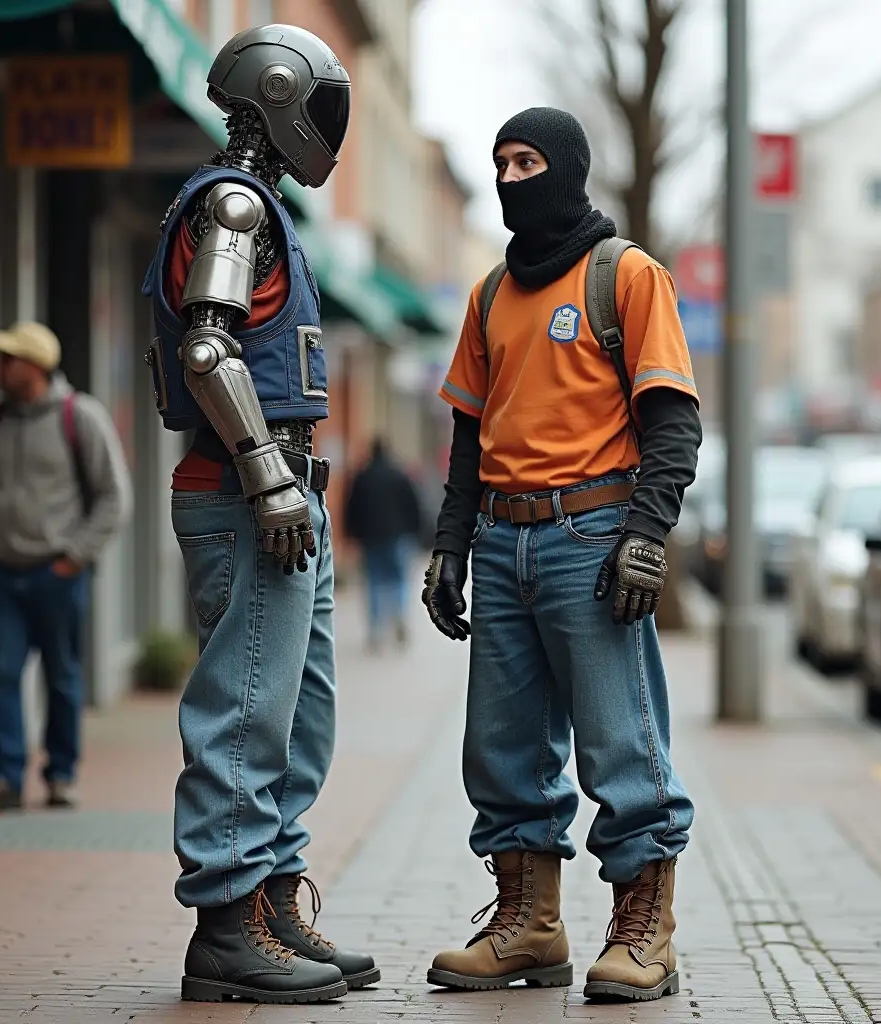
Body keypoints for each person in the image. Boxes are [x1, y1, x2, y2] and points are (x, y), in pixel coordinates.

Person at [421, 108, 702, 1003]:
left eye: (528, 160)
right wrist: (450, 547)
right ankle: (528, 927)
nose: (510, 177)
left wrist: (647, 536)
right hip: (502, 541)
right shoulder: (489, 295)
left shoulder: (627, 275)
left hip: (595, 537)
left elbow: (674, 423)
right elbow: (469, 436)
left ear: (569, 168)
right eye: (499, 161)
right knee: (500, 750)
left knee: (622, 744)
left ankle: (645, 932)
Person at [143, 25, 377, 1005]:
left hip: (282, 495)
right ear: (277, 96)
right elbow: (208, 347)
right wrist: (268, 478)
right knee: (245, 711)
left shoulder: (261, 207)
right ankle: (227, 928)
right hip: (253, 493)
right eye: (316, 107)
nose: (326, 129)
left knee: (295, 712)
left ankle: (274, 901)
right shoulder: (235, 203)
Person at [0, 321, 132, 812]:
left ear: (31, 366)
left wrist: (74, 558)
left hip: (56, 575)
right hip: (1, 576)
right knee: (3, 675)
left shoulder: (81, 417)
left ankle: (60, 775)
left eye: (7, 358)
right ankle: (6, 779)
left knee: (61, 676)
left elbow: (114, 498)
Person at [344, 437, 422, 650]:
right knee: (399, 579)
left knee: (374, 582)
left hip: (370, 539)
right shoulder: (399, 475)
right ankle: (399, 613)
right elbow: (413, 505)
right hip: (397, 536)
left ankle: (376, 628)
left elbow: (352, 507)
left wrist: (351, 534)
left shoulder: (362, 476)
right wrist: (415, 531)